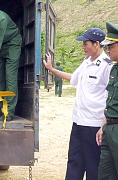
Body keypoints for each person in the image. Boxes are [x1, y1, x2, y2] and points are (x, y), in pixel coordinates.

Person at [43, 28, 112, 180]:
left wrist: (103, 125)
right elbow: (73, 78)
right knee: (74, 162)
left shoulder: (107, 66)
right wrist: (51, 69)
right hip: (79, 121)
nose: (83, 47)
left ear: (97, 44)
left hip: (94, 125)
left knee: (92, 165)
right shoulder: (86, 62)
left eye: (86, 44)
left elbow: (110, 97)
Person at [96, 22, 118, 180]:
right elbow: (110, 102)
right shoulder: (114, 69)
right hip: (109, 129)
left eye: (111, 45)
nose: (108, 49)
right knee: (105, 175)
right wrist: (103, 126)